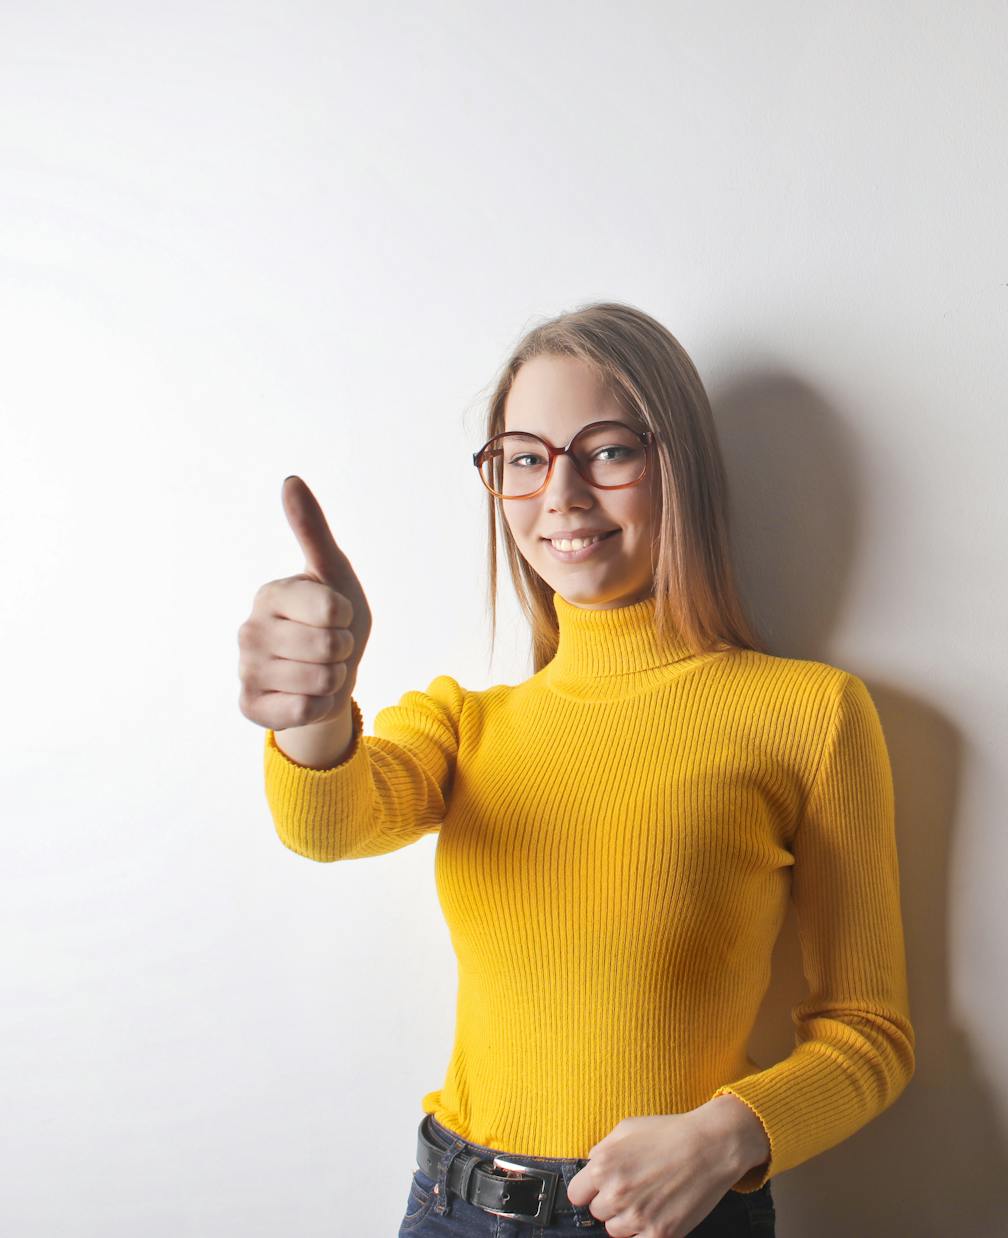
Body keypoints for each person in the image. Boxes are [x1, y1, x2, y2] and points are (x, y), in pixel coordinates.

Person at [236, 303, 914, 1238]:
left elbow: (867, 1034)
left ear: (678, 468)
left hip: (676, 1220)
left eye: (605, 451)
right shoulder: (465, 724)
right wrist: (314, 714)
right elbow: (329, 825)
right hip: (452, 1208)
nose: (560, 493)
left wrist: (725, 1139)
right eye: (524, 456)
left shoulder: (810, 715)